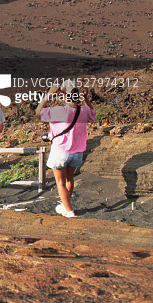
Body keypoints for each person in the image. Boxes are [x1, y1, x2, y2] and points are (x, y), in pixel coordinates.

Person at [36, 81, 96, 218]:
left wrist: (49, 94)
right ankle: (65, 206)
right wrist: (86, 99)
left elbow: (38, 111)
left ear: (64, 96)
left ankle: (69, 212)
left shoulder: (59, 111)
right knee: (69, 180)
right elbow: (92, 113)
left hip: (60, 152)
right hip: (77, 153)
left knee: (60, 182)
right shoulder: (84, 110)